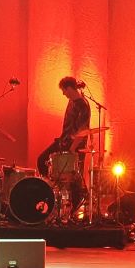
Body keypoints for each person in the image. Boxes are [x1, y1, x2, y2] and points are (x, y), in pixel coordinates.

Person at [38, 77, 92, 214]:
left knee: (74, 176)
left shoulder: (83, 105)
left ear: (69, 88)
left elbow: (82, 131)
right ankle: (51, 190)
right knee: (42, 160)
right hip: (64, 141)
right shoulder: (71, 101)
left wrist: (73, 149)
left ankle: (76, 205)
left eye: (64, 90)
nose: (64, 94)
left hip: (75, 145)